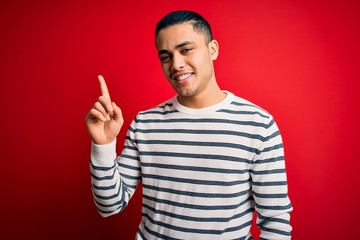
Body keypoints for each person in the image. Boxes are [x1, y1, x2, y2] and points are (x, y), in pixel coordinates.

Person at [86, 10, 293, 240]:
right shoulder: (145, 123)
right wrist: (103, 145)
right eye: (165, 56)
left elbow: (275, 220)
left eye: (186, 50)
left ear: (212, 49)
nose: (176, 64)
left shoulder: (259, 125)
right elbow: (110, 206)